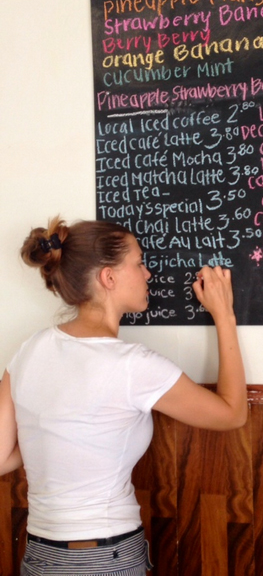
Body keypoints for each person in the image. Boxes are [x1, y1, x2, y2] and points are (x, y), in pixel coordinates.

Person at [0, 217, 247, 576]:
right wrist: (224, 314)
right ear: (108, 278)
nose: (147, 274)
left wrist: (62, 432)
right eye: (139, 263)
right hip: (104, 558)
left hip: (40, 556)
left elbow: (1, 456)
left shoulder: (29, 349)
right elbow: (232, 414)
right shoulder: (132, 366)